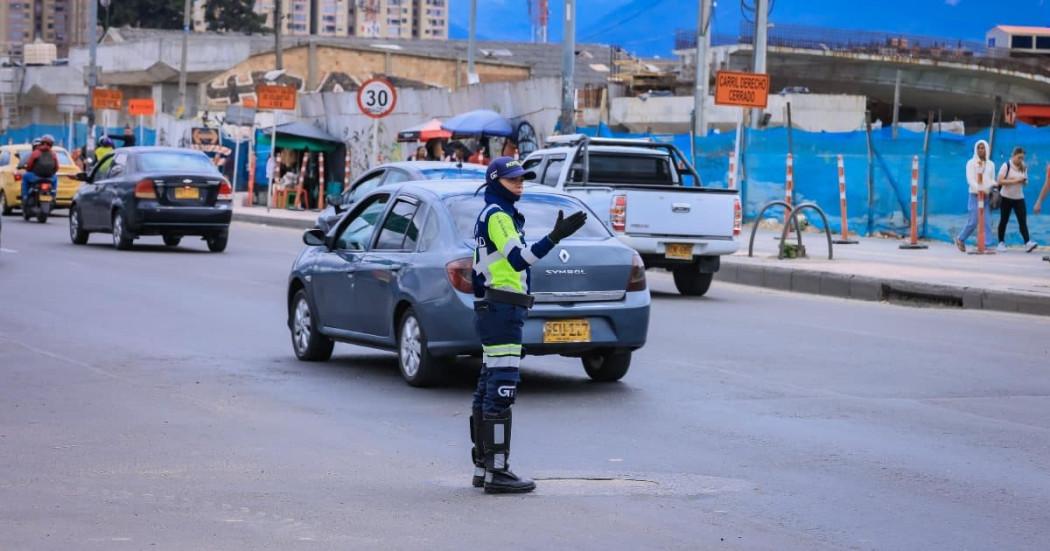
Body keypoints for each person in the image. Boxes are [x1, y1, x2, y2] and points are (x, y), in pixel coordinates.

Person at [468, 157, 587, 494]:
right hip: (502, 308)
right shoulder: (498, 215)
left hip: (498, 307)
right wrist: (555, 237)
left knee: (489, 383)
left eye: (522, 178)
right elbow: (519, 259)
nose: (520, 183)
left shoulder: (497, 213)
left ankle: (484, 467)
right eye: (512, 179)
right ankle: (498, 472)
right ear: (496, 181)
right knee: (501, 386)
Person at [954, 139, 996, 253]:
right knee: (973, 221)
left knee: (987, 221)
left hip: (986, 196)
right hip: (974, 195)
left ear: (987, 149)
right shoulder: (971, 163)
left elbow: (992, 179)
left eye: (983, 148)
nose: (981, 150)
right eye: (979, 148)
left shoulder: (991, 164)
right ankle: (961, 238)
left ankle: (986, 244)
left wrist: (991, 186)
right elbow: (970, 180)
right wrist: (979, 188)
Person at [996, 146, 1038, 252]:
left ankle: (1027, 242)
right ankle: (1001, 242)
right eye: (1019, 157)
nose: (1021, 160)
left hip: (1019, 197)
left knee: (1022, 220)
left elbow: (1026, 183)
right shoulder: (1006, 165)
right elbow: (1000, 181)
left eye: (1022, 158)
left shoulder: (1023, 167)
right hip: (1006, 197)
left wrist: (1023, 181)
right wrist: (1015, 180)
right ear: (1013, 156)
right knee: (1004, 220)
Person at [19, 135, 59, 203]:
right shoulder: (53, 154)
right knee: (55, 178)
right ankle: (53, 195)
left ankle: (25, 196)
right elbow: (57, 167)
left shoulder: (36, 152)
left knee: (25, 176)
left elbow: (29, 166)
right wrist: (51, 173)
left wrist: (30, 170)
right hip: (50, 178)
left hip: (36, 177)